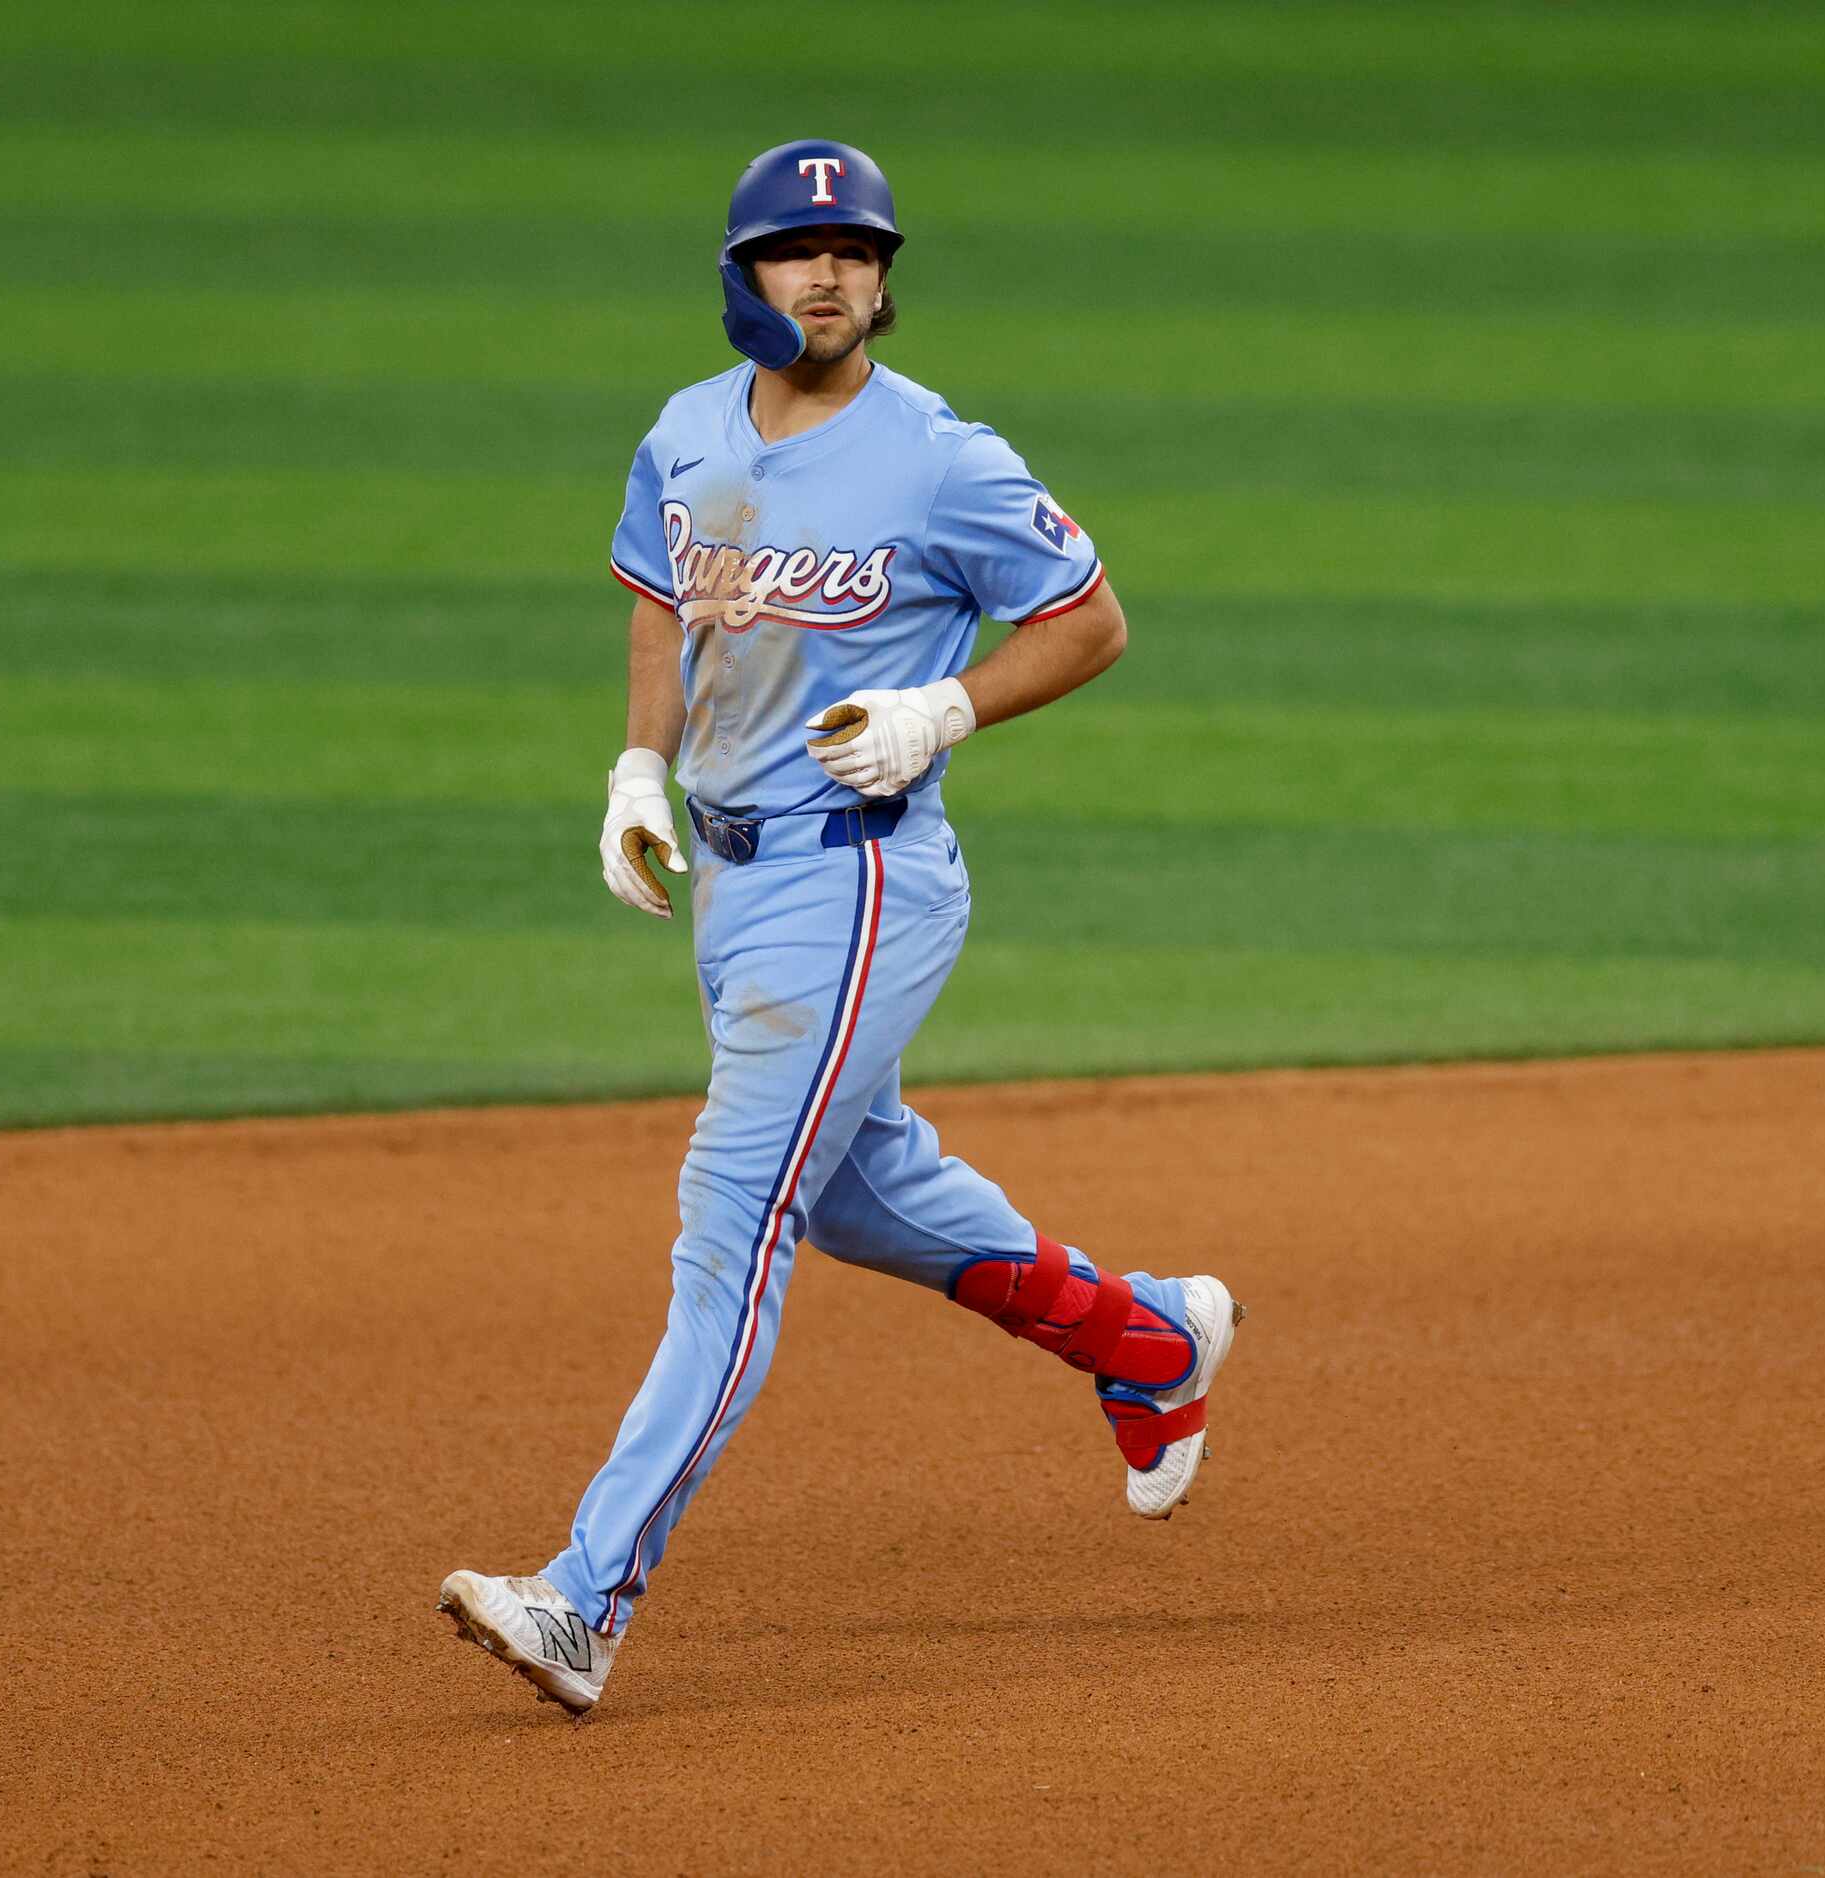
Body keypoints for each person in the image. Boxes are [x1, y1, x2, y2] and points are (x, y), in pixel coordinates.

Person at [439, 139, 1242, 1717]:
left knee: (731, 1222)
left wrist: (945, 707)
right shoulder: (684, 433)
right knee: (867, 1188)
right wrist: (637, 763)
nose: (828, 275)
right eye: (796, 252)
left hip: (863, 877)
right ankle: (1151, 1344)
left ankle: (587, 1597)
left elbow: (1091, 616)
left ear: (884, 276)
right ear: (741, 276)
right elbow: (664, 597)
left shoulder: (940, 456)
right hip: (735, 891)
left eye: (855, 252)